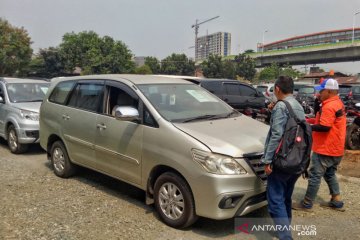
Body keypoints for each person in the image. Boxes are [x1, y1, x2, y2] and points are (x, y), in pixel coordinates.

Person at [262, 76, 305, 240]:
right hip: (297, 159)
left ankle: (285, 236)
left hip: (282, 161)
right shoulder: (297, 105)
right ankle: (285, 229)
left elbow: (276, 135)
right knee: (286, 197)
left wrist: (267, 160)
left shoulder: (281, 106)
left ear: (278, 89)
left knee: (275, 200)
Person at [293, 78, 346, 211]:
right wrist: (309, 120)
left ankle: (306, 203)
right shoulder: (338, 103)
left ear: (328, 91)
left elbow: (324, 127)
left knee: (315, 174)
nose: (318, 94)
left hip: (325, 148)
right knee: (329, 174)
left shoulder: (329, 106)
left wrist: (308, 127)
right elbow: (324, 121)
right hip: (336, 148)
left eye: (321, 91)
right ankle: (336, 200)